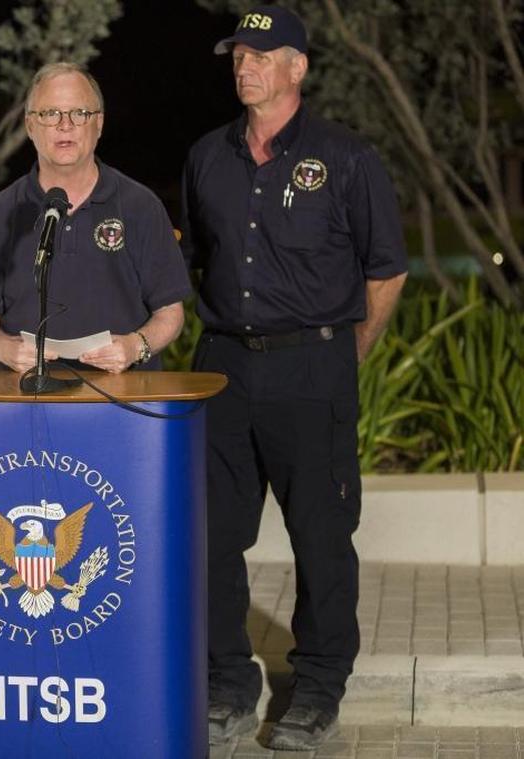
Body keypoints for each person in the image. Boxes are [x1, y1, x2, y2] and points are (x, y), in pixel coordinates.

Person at [180, 5, 409, 751]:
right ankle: (228, 684)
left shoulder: (346, 158)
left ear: (297, 66)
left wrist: (346, 354)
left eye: (260, 54)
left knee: (321, 535)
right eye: (237, 55)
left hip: (313, 366)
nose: (243, 66)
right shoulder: (206, 157)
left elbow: (387, 270)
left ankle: (317, 689)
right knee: (210, 535)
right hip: (224, 368)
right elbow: (194, 262)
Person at [0, 62, 189, 376]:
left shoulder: (140, 206)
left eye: (79, 113)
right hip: (26, 393)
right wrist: (4, 349)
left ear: (99, 124)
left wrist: (136, 346)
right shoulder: (0, 213)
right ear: (30, 125)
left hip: (125, 395)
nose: (65, 125)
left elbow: (171, 311)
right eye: (50, 113)